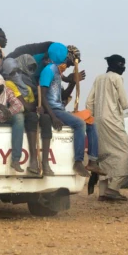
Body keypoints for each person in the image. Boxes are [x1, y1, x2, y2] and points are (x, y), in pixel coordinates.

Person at [37, 43, 99, 178]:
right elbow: (42, 96)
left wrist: (73, 81)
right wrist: (53, 117)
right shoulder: (49, 70)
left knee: (90, 121)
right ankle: (78, 162)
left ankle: (93, 160)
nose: (67, 60)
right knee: (80, 124)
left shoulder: (56, 71)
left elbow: (63, 96)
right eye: (65, 57)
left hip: (58, 109)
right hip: (54, 110)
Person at [88, 55, 128, 201]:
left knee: (104, 155)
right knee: (124, 152)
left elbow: (89, 101)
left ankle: (102, 193)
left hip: (98, 121)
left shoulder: (99, 78)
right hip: (113, 120)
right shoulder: (117, 79)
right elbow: (124, 103)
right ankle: (113, 189)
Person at [4, 55, 54, 175]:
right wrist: (36, 105)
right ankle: (33, 160)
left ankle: (45, 163)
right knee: (32, 117)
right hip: (17, 114)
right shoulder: (8, 84)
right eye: (12, 73)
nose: (16, 74)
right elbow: (26, 106)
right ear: (6, 73)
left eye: (17, 71)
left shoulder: (27, 88)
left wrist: (39, 107)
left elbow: (32, 106)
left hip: (29, 114)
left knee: (46, 118)